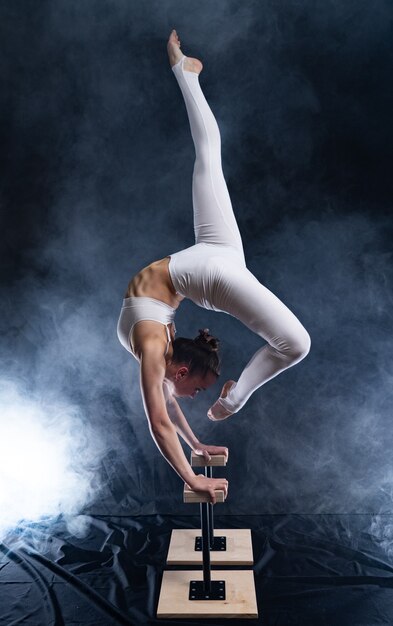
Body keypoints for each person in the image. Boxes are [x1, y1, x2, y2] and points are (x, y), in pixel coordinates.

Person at [117, 30, 311, 504]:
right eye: (207, 390)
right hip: (204, 257)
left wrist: (193, 476)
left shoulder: (151, 347)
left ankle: (236, 398)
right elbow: (169, 404)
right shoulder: (159, 354)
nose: (193, 396)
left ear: (181, 370)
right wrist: (196, 449)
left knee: (296, 344)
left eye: (200, 389)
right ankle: (186, 76)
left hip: (208, 273)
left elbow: (159, 419)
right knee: (209, 160)